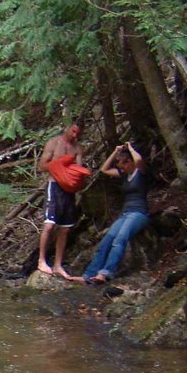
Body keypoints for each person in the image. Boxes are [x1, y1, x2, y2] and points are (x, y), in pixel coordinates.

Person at [83, 142, 150, 284]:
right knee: (106, 241)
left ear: (130, 162)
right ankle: (88, 275)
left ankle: (106, 273)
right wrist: (115, 151)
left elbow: (138, 159)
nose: (122, 169)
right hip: (125, 214)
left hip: (139, 213)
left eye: (123, 166)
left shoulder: (140, 171)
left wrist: (130, 148)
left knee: (120, 239)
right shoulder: (124, 175)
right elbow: (104, 169)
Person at [37, 122, 84, 280]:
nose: (75, 135)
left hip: (68, 190)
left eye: (78, 133)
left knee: (65, 229)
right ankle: (41, 260)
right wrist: (59, 165)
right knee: (49, 225)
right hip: (54, 186)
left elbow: (79, 169)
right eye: (73, 131)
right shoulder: (53, 143)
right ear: (68, 128)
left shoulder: (78, 148)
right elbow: (41, 166)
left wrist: (76, 176)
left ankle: (58, 265)